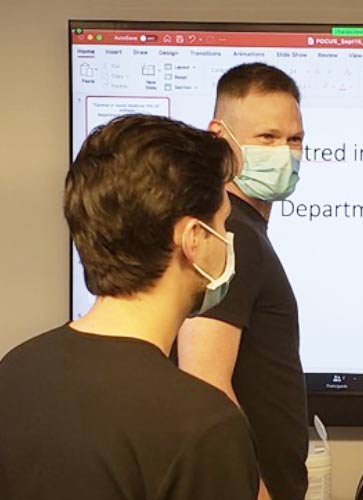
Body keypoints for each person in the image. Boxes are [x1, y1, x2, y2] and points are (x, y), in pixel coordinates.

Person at [0, 114, 259, 500]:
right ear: (193, 239)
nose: (226, 239)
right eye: (223, 224)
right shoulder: (205, 426)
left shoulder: (16, 371)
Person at [177, 63, 308, 500]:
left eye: (294, 139)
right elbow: (203, 381)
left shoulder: (246, 230)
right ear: (220, 138)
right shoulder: (230, 235)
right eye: (267, 138)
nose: (284, 153)